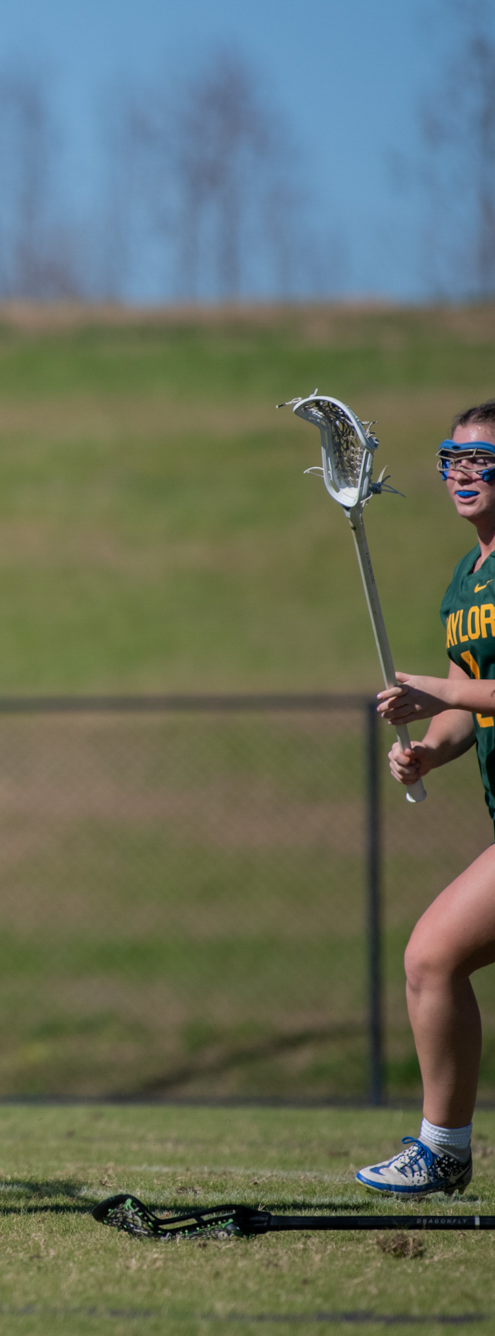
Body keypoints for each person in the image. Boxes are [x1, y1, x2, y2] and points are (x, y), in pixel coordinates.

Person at [365, 398, 495, 1198]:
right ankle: (443, 1151)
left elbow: (469, 687)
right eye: (453, 457)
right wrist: (426, 745)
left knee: (430, 956)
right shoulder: (465, 579)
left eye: (483, 458)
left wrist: (447, 687)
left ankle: (443, 1150)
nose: (464, 472)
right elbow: (472, 708)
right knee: (433, 960)